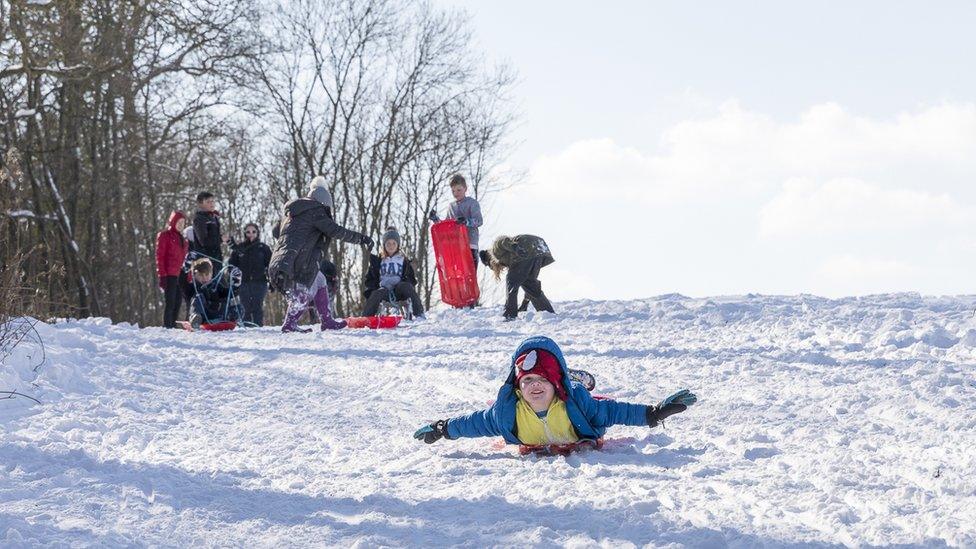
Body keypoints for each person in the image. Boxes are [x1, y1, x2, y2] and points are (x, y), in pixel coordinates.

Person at [413, 336, 697, 448]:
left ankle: (569, 375)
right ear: (517, 386)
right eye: (527, 381)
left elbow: (615, 411)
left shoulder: (579, 405)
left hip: (572, 395)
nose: (534, 385)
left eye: (541, 380)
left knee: (592, 397)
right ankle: (565, 371)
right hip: (558, 389)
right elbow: (474, 423)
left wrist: (654, 413)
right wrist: (443, 428)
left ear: (554, 385)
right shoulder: (507, 413)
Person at [268, 175, 373, 333]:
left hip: (283, 261)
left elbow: (277, 232)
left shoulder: (294, 213)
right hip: (296, 261)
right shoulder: (316, 211)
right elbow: (336, 231)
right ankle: (289, 324)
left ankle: (327, 320)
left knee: (320, 279)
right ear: (325, 203)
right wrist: (362, 239)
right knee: (303, 292)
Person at [479, 234, 555, 321]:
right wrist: (524, 304)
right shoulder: (510, 259)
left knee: (511, 281)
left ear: (489, 260)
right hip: (540, 248)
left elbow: (503, 241)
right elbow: (527, 286)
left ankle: (510, 314)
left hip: (527, 247)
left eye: (491, 266)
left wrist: (515, 247)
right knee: (530, 284)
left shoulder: (495, 250)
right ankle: (547, 312)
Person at [361, 227, 425, 318]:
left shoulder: (403, 260)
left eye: (394, 243)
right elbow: (370, 278)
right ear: (384, 245)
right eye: (388, 243)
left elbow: (411, 279)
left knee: (406, 286)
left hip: (399, 291)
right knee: (376, 293)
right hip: (384, 290)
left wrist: (407, 282)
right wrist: (375, 287)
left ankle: (419, 313)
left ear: (398, 245)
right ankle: (366, 318)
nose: (391, 246)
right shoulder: (378, 260)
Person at [429, 174, 483, 273]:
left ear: (465, 189)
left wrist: (466, 221)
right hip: (456, 245)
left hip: (470, 244)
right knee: (457, 274)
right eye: (453, 191)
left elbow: (479, 220)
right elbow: (447, 225)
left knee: (470, 274)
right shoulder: (451, 206)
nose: (456, 193)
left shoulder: (472, 203)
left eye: (459, 190)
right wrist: (436, 219)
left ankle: (471, 288)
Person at [230, 223, 272, 326]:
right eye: (248, 232)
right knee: (245, 307)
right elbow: (231, 264)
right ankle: (246, 327)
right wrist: (234, 277)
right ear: (245, 233)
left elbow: (270, 266)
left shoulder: (264, 248)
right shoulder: (239, 248)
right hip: (243, 282)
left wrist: (272, 282)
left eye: (253, 232)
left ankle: (258, 327)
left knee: (257, 306)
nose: (251, 234)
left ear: (257, 233)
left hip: (260, 282)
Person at [155, 210, 189, 328]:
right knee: (170, 302)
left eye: (183, 223)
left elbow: (184, 259)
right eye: (178, 222)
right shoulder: (165, 236)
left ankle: (173, 326)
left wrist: (187, 274)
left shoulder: (183, 240)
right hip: (169, 274)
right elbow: (160, 256)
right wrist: (162, 275)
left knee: (178, 302)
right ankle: (167, 326)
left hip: (180, 274)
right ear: (173, 222)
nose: (181, 225)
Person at [188, 257, 241, 328]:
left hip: (217, 314)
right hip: (203, 316)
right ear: (194, 275)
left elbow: (228, 294)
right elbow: (183, 285)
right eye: (200, 275)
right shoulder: (192, 286)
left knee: (231, 300)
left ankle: (232, 317)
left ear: (211, 274)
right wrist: (187, 265)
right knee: (198, 296)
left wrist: (235, 285)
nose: (204, 278)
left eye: (206, 275)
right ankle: (196, 318)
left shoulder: (215, 285)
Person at [191, 191, 228, 269]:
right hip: (205, 260)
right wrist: (220, 239)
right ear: (200, 204)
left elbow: (214, 237)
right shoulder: (199, 219)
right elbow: (204, 241)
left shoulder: (214, 217)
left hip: (216, 258)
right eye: (208, 202)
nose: (212, 204)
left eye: (213, 201)